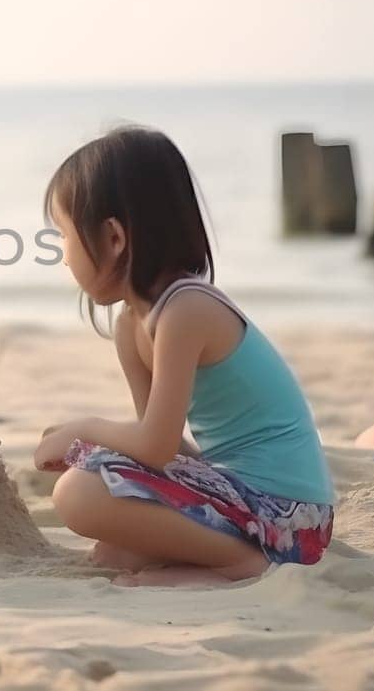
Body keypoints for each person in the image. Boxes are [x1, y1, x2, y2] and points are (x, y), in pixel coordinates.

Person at [33, 126, 335, 586]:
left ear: (113, 238)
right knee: (114, 550)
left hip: (292, 515)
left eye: (64, 238)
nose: (63, 257)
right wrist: (92, 450)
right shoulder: (131, 327)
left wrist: (84, 431)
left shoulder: (187, 310)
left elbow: (153, 443)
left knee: (78, 493)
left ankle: (240, 564)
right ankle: (215, 553)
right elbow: (165, 449)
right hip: (243, 495)